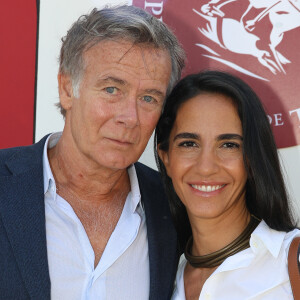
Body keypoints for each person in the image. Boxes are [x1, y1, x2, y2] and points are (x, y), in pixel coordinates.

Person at [0, 5, 185, 300]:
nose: (130, 117)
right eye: (112, 89)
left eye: (148, 98)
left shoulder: (177, 208)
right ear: (66, 89)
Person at [155, 70, 300, 299]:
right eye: (189, 143)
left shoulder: (290, 262)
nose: (206, 167)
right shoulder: (160, 280)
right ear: (166, 157)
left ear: (252, 160)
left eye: (229, 145)